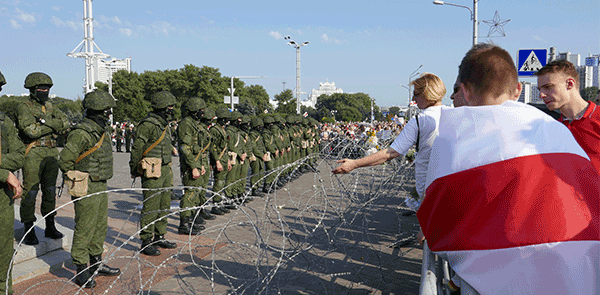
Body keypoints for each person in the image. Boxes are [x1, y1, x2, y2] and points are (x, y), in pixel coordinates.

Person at [419, 44, 600, 294]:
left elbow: (438, 225)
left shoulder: (453, 136)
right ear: (517, 90)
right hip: (576, 270)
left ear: (466, 90)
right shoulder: (557, 130)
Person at [332, 72, 448, 211]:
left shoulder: (420, 120)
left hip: (429, 190)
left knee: (427, 231)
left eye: (416, 94)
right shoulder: (454, 114)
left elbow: (391, 153)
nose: (413, 98)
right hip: (452, 186)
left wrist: (354, 164)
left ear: (428, 94)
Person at [58, 90, 120, 288]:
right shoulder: (82, 133)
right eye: (107, 111)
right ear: (98, 111)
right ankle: (81, 269)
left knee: (99, 226)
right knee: (85, 227)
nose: (109, 115)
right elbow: (65, 160)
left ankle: (96, 263)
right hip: (87, 185)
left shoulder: (100, 130)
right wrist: (77, 180)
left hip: (100, 183)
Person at [16, 72, 70, 245]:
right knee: (30, 192)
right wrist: (53, 125)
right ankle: (28, 228)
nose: (44, 91)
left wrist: (43, 122)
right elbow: (30, 131)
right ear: (32, 89)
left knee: (50, 192)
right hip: (33, 152)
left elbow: (66, 122)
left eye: (47, 88)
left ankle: (50, 225)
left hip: (51, 152)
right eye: (41, 88)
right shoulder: (23, 107)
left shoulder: (51, 106)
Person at [129, 91, 178, 256]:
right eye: (169, 107)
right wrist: (134, 168)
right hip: (151, 169)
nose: (171, 110)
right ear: (162, 107)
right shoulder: (148, 124)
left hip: (165, 168)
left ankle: (160, 235)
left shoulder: (165, 125)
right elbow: (137, 147)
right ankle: (146, 240)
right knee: (151, 205)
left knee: (164, 204)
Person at [535, 59, 600, 171]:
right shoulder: (552, 128)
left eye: (548, 87)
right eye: (540, 89)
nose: (541, 95)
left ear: (570, 84)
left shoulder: (597, 117)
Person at [0, 70, 25, 295]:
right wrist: (5, 173)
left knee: (3, 256)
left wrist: (3, 168)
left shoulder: (3, 121)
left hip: (2, 199)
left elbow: (19, 154)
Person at [177, 97, 209, 235]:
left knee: (195, 194)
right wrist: (193, 166)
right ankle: (184, 224)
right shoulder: (186, 124)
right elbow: (185, 148)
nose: (202, 112)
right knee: (189, 194)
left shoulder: (193, 124)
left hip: (196, 163)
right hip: (190, 166)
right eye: (200, 110)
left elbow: (199, 147)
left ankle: (190, 221)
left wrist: (200, 165)